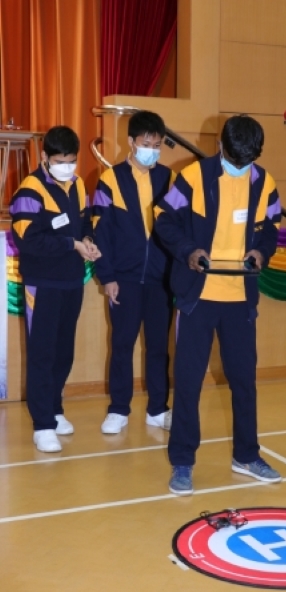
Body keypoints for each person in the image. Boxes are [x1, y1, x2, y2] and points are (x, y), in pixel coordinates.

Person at [155, 114, 282, 495]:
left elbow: (272, 228)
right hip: (198, 297)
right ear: (221, 146)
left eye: (248, 162)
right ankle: (182, 461)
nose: (241, 168)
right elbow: (163, 220)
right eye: (234, 160)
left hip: (240, 299)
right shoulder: (193, 176)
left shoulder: (265, 183)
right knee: (188, 382)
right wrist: (188, 251)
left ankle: (246, 455)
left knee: (244, 381)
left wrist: (261, 253)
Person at [9, 125, 101, 453]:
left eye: (72, 161)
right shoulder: (29, 191)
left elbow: (85, 221)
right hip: (42, 283)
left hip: (71, 280)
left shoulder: (77, 184)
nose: (67, 167)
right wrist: (71, 244)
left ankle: (55, 408)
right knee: (42, 353)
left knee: (64, 352)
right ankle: (42, 424)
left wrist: (87, 240)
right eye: (60, 161)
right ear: (45, 158)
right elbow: (28, 240)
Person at [93, 110, 174, 435]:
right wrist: (107, 276)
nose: (151, 151)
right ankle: (118, 409)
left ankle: (158, 408)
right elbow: (100, 232)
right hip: (123, 279)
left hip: (160, 280)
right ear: (131, 142)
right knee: (122, 344)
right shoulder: (110, 180)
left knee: (159, 347)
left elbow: (178, 229)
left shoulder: (169, 179)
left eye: (157, 145)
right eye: (146, 144)